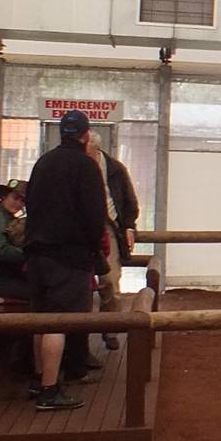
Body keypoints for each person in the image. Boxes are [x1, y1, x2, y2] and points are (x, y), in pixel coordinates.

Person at [23, 110, 108, 411]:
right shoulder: (86, 167)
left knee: (41, 320)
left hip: (36, 256)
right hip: (68, 257)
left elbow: (30, 204)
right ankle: (50, 390)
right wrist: (93, 248)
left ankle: (38, 378)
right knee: (58, 322)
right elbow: (95, 217)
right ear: (85, 135)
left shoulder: (42, 163)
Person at [85, 133, 139, 353]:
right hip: (83, 226)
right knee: (82, 283)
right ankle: (81, 336)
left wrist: (128, 227)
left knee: (110, 278)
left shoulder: (115, 169)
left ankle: (111, 328)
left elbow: (129, 201)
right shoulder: (77, 167)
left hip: (108, 227)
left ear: (96, 150)